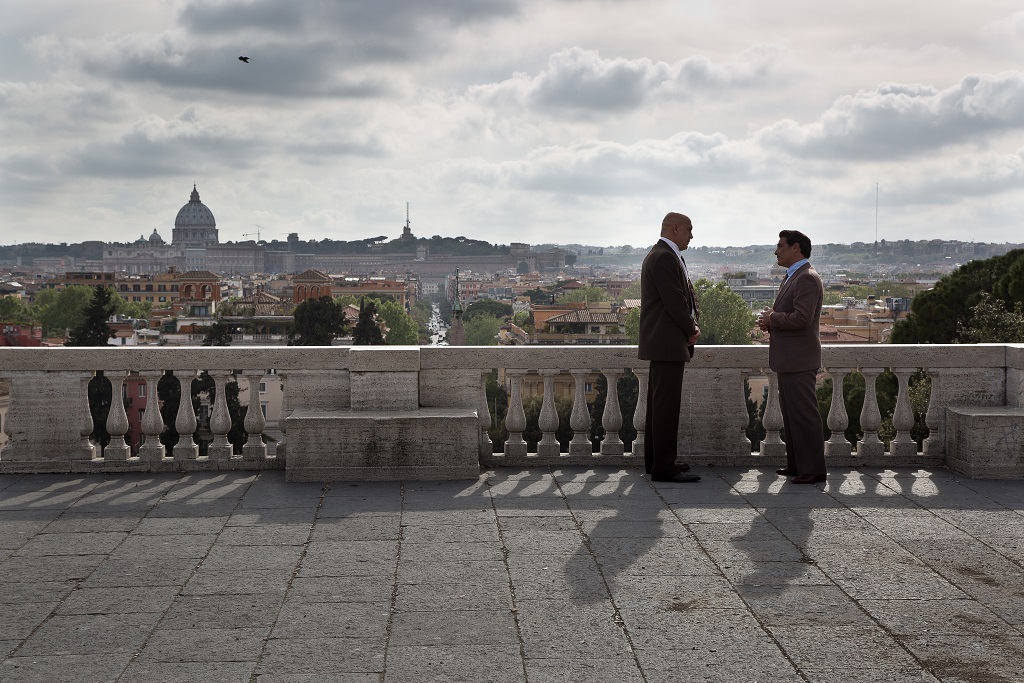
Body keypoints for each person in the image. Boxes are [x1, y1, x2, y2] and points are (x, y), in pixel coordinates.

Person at [756, 230, 827, 484]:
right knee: (792, 414)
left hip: (799, 359)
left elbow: (802, 318)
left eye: (780, 246)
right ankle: (798, 465)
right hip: (790, 359)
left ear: (795, 248)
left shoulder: (806, 278)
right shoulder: (795, 276)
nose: (776, 251)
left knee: (804, 415)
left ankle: (814, 469)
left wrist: (773, 318)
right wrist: (771, 322)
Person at [637, 212, 702, 483]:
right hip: (667, 342)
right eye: (688, 229)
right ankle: (663, 467)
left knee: (660, 406)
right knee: (666, 407)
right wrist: (691, 329)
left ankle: (658, 461)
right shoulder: (664, 256)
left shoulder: (662, 254)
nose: (691, 235)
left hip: (662, 342)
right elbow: (675, 301)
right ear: (675, 229)